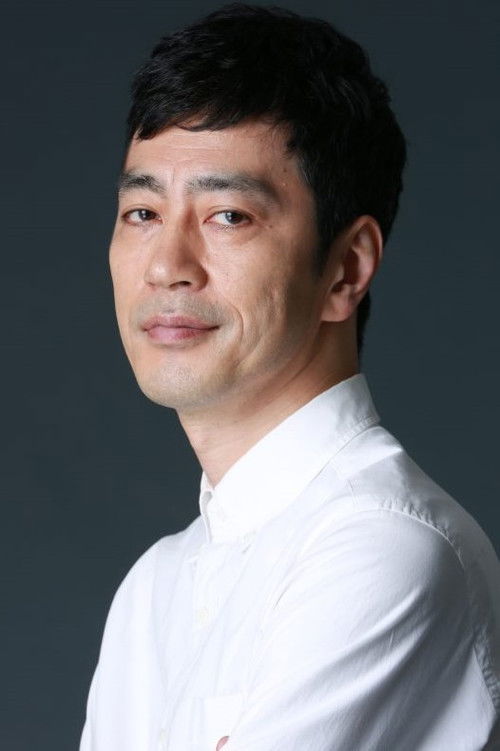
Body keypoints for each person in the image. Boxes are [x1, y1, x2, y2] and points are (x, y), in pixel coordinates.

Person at [79, 4, 500, 749]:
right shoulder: (153, 587)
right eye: (142, 212)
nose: (167, 266)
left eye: (228, 216)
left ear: (347, 268)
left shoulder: (383, 545)